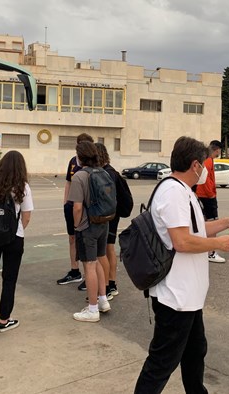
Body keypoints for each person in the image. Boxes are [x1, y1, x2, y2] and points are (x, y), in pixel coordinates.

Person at [134, 136, 229, 393]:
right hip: (176, 296)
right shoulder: (173, 192)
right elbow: (182, 242)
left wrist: (226, 222)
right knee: (162, 362)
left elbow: (195, 230)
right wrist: (219, 245)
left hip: (189, 296)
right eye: (206, 163)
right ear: (195, 164)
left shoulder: (183, 190)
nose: (207, 169)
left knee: (195, 351)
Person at [0, 150, 33, 333]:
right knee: (9, 279)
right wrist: (15, 230)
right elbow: (26, 217)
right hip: (13, 238)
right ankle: (4, 320)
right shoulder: (22, 187)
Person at [68, 141, 112, 322]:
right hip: (103, 223)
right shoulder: (103, 172)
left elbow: (77, 207)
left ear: (81, 156)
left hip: (87, 227)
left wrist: (77, 225)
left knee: (89, 266)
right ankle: (102, 300)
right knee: (99, 262)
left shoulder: (79, 176)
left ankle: (92, 309)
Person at [57, 133, 94, 288]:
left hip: (85, 208)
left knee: (85, 241)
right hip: (72, 206)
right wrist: (66, 202)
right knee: (72, 238)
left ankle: (89, 276)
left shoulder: (92, 164)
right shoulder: (73, 162)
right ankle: (75, 271)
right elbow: (68, 182)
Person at [95, 142, 131, 298]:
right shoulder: (111, 172)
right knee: (108, 248)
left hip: (108, 216)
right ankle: (110, 283)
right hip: (112, 215)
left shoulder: (107, 174)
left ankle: (109, 284)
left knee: (107, 249)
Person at [196, 140, 226, 263]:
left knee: (202, 223)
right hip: (207, 197)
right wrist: (211, 195)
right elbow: (206, 181)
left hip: (201, 196)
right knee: (213, 223)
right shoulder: (208, 161)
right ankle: (211, 252)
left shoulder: (205, 159)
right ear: (217, 149)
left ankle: (204, 250)